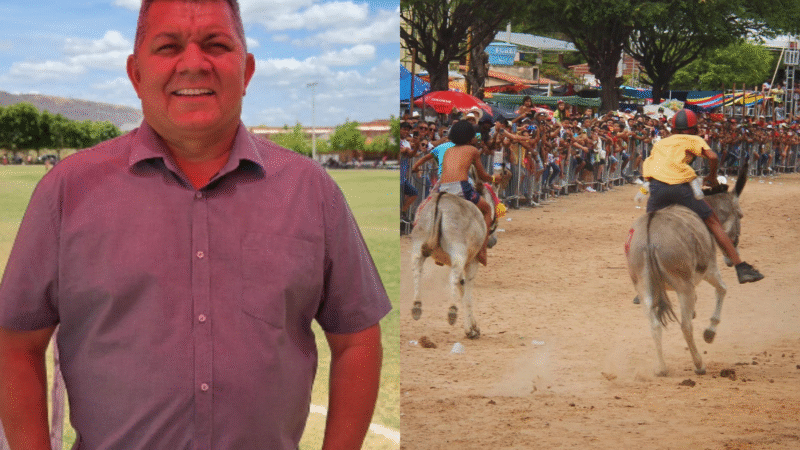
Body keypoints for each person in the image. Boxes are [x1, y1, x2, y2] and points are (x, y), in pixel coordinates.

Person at [0, 1, 391, 449]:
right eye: (168, 47)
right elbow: (16, 344)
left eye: (215, 44)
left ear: (245, 71)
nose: (193, 64)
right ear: (136, 73)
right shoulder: (67, 190)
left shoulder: (310, 190)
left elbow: (358, 340)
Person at [642, 109, 764, 284]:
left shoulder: (661, 143)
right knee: (713, 221)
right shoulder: (693, 139)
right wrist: (712, 177)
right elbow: (713, 156)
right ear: (693, 128)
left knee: (648, 227)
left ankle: (647, 279)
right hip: (679, 186)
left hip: (656, 187)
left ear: (673, 128)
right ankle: (741, 267)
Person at [435, 120, 498, 265]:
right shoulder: (472, 150)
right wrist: (494, 178)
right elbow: (483, 176)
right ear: (469, 137)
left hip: (443, 188)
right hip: (461, 187)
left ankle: (438, 246)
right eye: (474, 135)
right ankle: (482, 250)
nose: (476, 137)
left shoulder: (448, 150)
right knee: (487, 210)